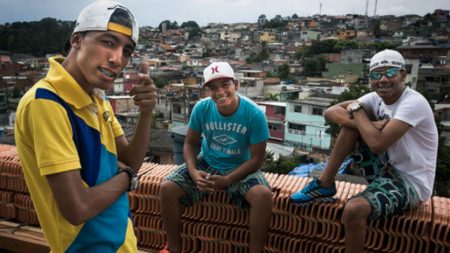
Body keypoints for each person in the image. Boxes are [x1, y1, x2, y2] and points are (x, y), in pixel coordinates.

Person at [14, 1, 157, 252]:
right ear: (77, 40)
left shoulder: (96, 98)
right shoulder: (47, 104)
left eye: (127, 51)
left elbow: (130, 161)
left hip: (123, 243)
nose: (117, 59)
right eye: (108, 42)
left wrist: (146, 113)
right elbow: (77, 208)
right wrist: (128, 179)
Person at [290, 49, 438, 253]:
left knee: (353, 210)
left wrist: (357, 111)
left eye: (390, 73)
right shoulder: (375, 98)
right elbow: (330, 112)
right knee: (351, 126)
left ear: (403, 74)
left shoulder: (413, 103)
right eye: (376, 75)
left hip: (410, 182)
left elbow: (377, 144)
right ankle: (325, 182)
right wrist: (367, 121)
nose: (382, 80)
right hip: (385, 169)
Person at [159, 62, 273, 253]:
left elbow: (257, 160)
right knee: (167, 188)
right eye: (213, 87)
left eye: (225, 85)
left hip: (240, 166)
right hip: (208, 162)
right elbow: (190, 143)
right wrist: (194, 172)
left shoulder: (253, 114)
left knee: (263, 196)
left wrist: (228, 179)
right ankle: (173, 248)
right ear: (207, 91)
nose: (219, 91)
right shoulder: (202, 109)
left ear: (235, 84)